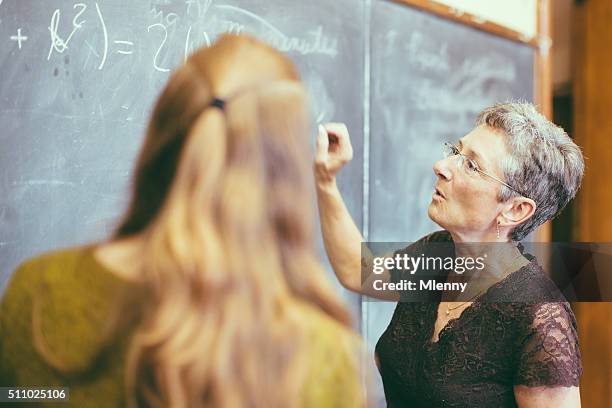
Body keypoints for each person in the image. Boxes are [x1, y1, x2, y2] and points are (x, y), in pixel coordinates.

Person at [0, 34, 366, 407]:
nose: (433, 167)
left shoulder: (39, 298)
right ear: (283, 174)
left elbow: (364, 271)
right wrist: (325, 183)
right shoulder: (319, 360)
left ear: (162, 138)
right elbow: (362, 270)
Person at [315, 101, 584, 407]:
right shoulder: (437, 254)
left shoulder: (539, 316)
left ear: (515, 209)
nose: (441, 167)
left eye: (472, 165)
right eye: (456, 152)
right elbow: (357, 269)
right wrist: (326, 181)